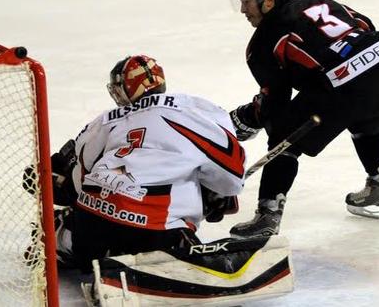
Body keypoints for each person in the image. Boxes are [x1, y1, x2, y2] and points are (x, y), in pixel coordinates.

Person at [227, 0, 379, 238]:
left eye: (246, 1)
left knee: (284, 137)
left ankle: (267, 216)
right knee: (365, 121)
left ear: (268, 0)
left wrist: (247, 118)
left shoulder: (265, 40)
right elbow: (364, 25)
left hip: (350, 86)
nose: (244, 10)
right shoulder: (319, 2)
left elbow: (274, 106)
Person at [40, 54, 247, 272]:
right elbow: (232, 177)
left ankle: (64, 236)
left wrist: (63, 187)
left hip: (93, 219)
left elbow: (79, 179)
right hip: (156, 228)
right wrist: (215, 196)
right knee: (174, 259)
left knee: (85, 236)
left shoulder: (106, 120)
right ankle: (173, 259)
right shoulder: (194, 111)